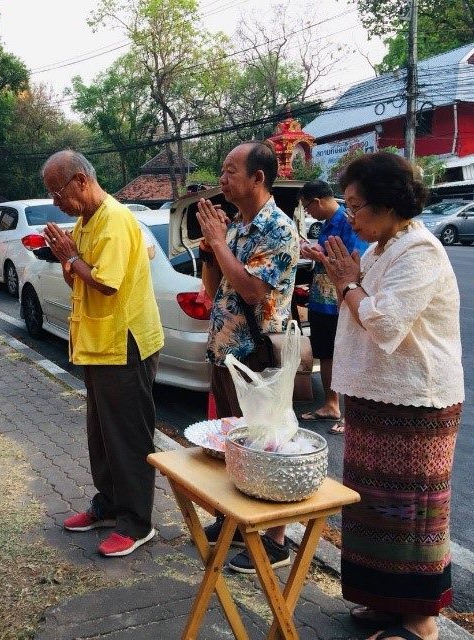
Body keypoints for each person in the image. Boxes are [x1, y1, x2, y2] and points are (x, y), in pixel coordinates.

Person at [315, 152, 463, 640]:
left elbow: (383, 320)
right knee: (372, 508)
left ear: (387, 204)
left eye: (356, 206)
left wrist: (347, 283)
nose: (350, 216)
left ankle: (421, 620)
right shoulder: (379, 250)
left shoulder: (419, 251)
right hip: (375, 396)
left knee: (412, 513)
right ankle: (384, 601)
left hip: (416, 400)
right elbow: (361, 307)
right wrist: (349, 280)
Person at [41, 150, 164, 558]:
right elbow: (80, 272)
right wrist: (70, 258)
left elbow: (106, 282)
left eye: (57, 192)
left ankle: (136, 522)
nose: (55, 202)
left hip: (124, 343)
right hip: (98, 343)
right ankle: (108, 505)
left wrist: (71, 257)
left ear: (80, 180)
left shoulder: (113, 220)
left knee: (128, 435)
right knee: (102, 433)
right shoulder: (86, 220)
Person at [197, 141, 298, 574]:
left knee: (266, 443)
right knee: (234, 441)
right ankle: (234, 519)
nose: (223, 178)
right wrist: (210, 246)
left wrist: (219, 242)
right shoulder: (237, 225)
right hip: (226, 352)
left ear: (258, 178)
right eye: (222, 169)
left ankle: (275, 539)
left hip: (257, 356)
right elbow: (213, 284)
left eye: (231, 170)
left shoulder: (277, 228)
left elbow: (254, 290)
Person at [298, 180, 367, 434]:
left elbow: (353, 264)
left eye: (307, 207)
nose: (308, 213)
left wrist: (321, 257)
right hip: (321, 300)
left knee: (348, 356)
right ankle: (331, 404)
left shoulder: (347, 223)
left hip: (341, 302)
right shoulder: (327, 224)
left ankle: (353, 415)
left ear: (316, 201)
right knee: (325, 352)